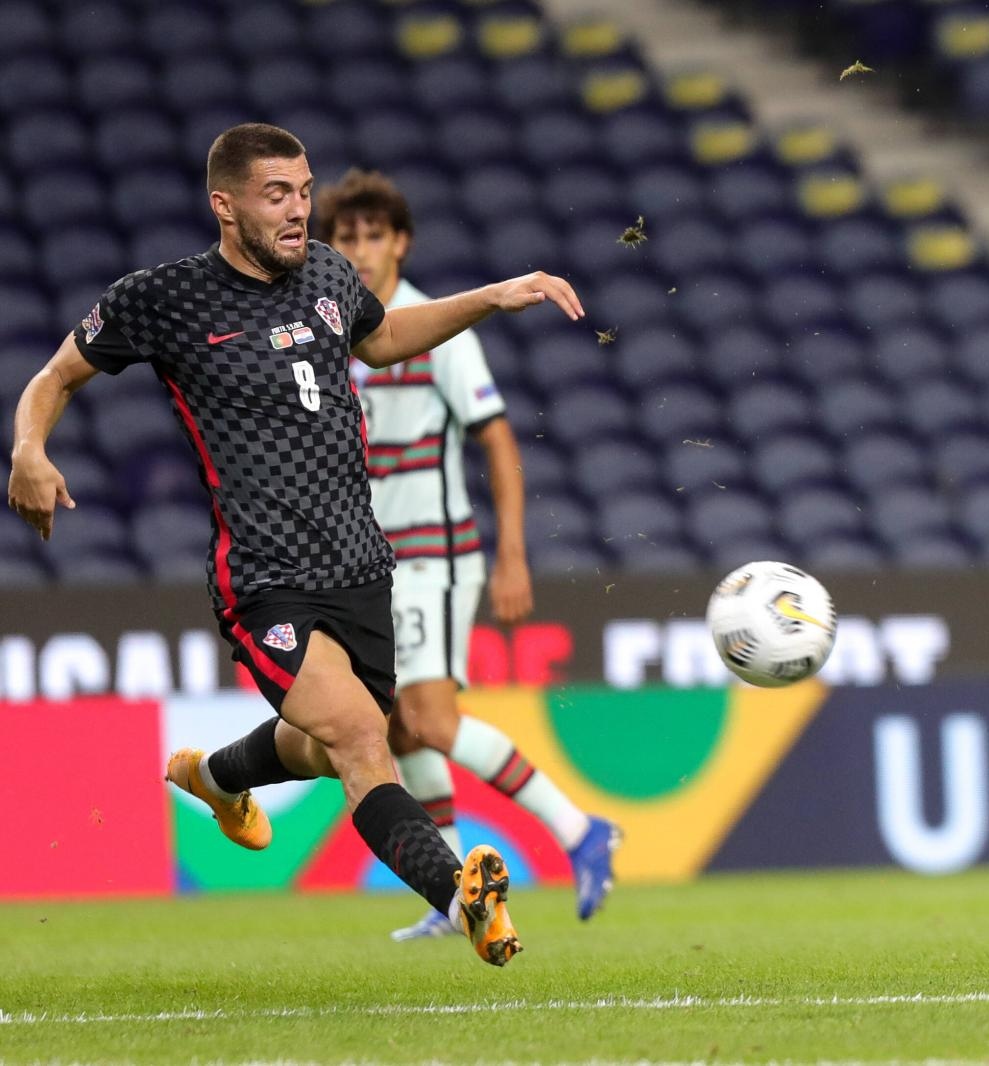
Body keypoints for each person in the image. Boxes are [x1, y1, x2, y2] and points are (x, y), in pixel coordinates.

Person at [6, 124, 585, 967]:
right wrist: (28, 448)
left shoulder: (327, 274)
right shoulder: (163, 298)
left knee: (320, 743)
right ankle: (463, 899)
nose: (299, 210)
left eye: (305, 191)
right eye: (277, 194)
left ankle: (214, 778)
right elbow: (55, 376)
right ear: (225, 204)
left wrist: (491, 297)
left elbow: (384, 339)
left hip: (360, 566)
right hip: (264, 577)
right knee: (359, 739)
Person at [313, 169, 619, 941]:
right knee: (394, 728)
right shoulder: (327, 334)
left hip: (434, 556)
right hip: (371, 565)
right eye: (346, 237)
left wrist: (511, 553)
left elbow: (498, 438)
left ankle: (580, 828)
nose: (360, 249)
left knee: (430, 718)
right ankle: (452, 891)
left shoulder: (433, 329)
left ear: (401, 243)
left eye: (374, 235)